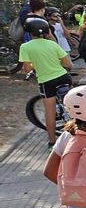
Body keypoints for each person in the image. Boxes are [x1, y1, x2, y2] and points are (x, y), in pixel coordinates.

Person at [20, 17, 73, 145]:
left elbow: (27, 69)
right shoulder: (52, 44)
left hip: (46, 81)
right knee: (72, 106)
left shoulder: (25, 47)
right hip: (63, 77)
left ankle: (52, 142)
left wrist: (36, 64)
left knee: (50, 112)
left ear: (28, 32)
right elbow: (68, 63)